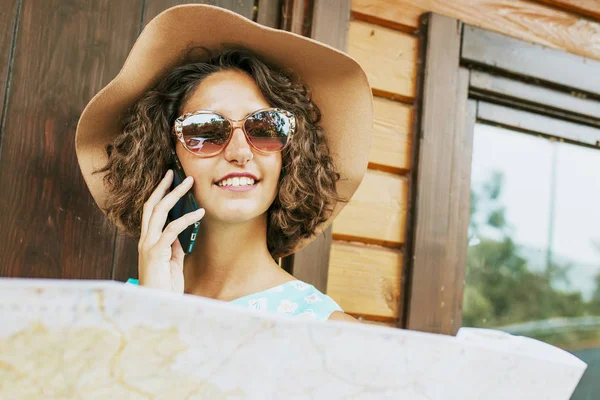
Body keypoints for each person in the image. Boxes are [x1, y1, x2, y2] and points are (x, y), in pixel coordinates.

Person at [75, 5, 372, 322]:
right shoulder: (119, 313)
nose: (240, 152)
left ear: (290, 155)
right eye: (205, 130)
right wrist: (154, 312)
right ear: (168, 151)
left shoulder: (329, 331)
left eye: (265, 128)